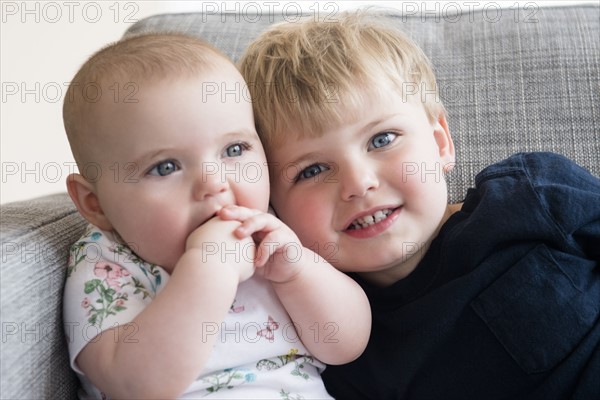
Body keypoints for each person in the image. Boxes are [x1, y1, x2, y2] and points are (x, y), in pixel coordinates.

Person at [236, 11, 600, 399]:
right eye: (312, 170)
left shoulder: (527, 193)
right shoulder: (335, 341)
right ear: (274, 207)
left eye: (382, 139)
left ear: (441, 143)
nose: (359, 184)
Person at [62, 33, 371, 399]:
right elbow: (135, 385)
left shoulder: (272, 232)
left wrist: (299, 271)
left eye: (234, 149)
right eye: (165, 167)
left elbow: (345, 345)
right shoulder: (107, 264)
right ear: (95, 204)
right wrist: (209, 271)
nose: (214, 184)